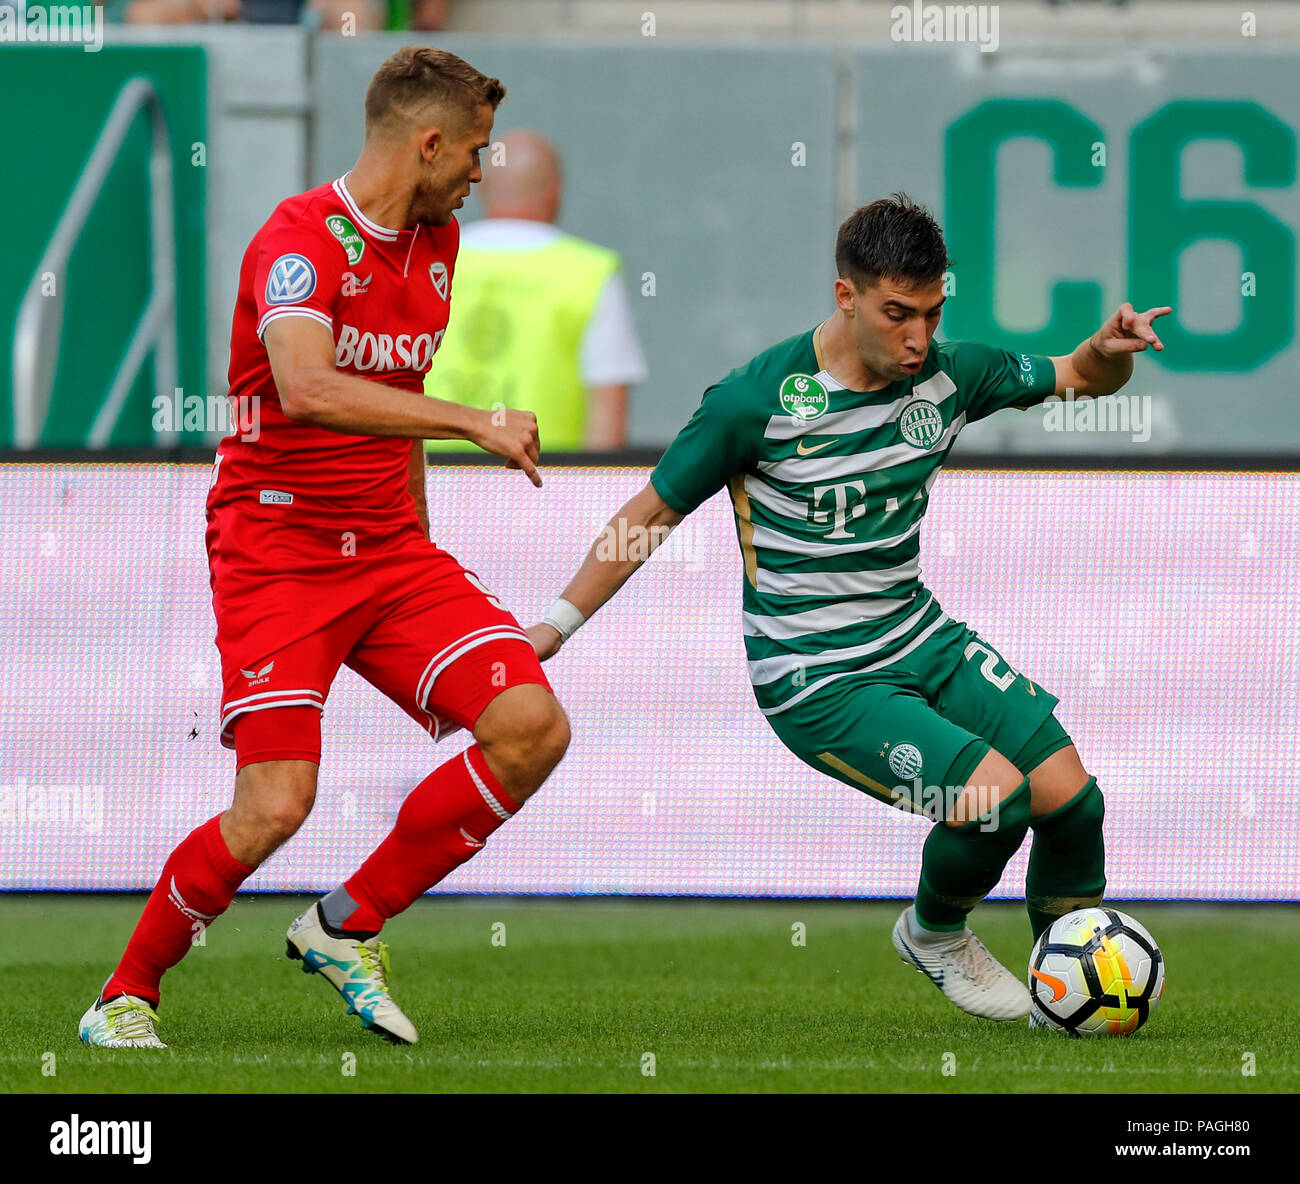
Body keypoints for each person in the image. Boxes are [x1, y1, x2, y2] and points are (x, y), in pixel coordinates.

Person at [527, 194, 1170, 1023]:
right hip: (818, 675)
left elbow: (1081, 378)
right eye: (897, 314)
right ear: (846, 297)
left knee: (1074, 802)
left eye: (933, 313)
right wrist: (556, 624)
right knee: (993, 802)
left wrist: (1107, 349)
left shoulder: (951, 373)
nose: (917, 338)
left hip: (917, 636)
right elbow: (649, 515)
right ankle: (935, 934)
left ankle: (1075, 980)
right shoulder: (754, 401)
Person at [79, 46, 570, 1050]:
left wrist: (431, 557)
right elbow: (305, 386)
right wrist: (473, 419)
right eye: (473, 151)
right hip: (278, 549)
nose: (482, 170)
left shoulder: (437, 244)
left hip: (390, 551)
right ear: (426, 142)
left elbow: (393, 408)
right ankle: (124, 995)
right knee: (274, 805)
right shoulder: (298, 241)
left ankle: (349, 920)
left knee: (531, 725)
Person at [423, 129, 647, 452]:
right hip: (540, 489)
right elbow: (607, 415)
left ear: (480, 187)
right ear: (555, 193)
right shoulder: (590, 273)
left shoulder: (429, 260)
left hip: (431, 485)